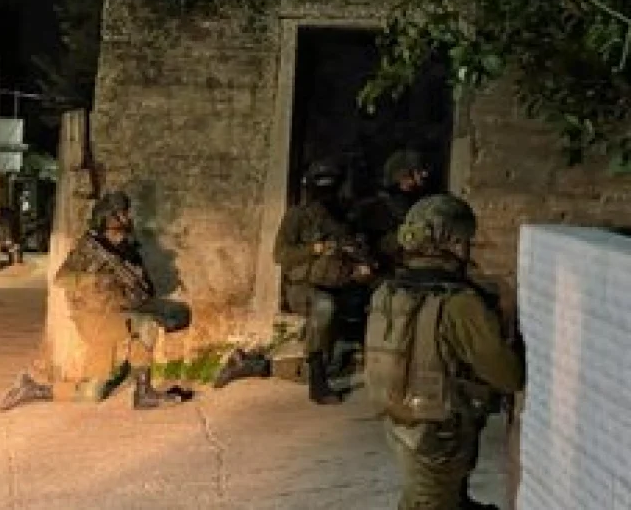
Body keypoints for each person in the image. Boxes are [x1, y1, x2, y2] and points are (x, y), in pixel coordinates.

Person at [363, 193, 524, 510]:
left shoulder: (388, 291)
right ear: (455, 242)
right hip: (439, 434)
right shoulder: (459, 303)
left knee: (431, 498)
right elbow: (508, 375)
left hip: (400, 422)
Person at [0, 191, 193, 411]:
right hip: (94, 319)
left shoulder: (123, 246)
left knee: (96, 388)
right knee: (141, 331)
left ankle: (142, 393)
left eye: (125, 213)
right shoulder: (91, 247)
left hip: (114, 313)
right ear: (108, 218)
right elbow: (62, 278)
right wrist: (97, 280)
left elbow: (138, 283)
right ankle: (34, 389)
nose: (127, 217)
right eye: (121, 214)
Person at [212, 158, 374, 404]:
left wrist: (361, 264)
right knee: (324, 308)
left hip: (340, 284)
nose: (328, 194)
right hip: (303, 288)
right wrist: (315, 249)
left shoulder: (343, 217)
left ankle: (253, 364)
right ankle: (315, 382)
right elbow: (281, 255)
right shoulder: (298, 216)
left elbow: (355, 248)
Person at [352, 149, 432, 274]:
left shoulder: (410, 197)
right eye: (417, 172)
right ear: (403, 176)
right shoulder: (385, 203)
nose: (424, 174)